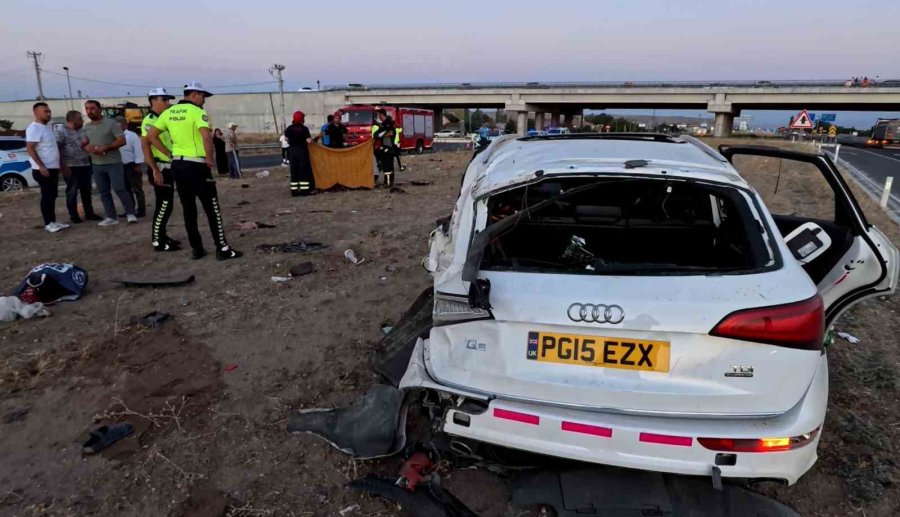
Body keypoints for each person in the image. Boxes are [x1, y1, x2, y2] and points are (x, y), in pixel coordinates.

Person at [148, 81, 241, 260]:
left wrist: (169, 153)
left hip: (178, 165)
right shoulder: (198, 112)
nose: (204, 100)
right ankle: (222, 249)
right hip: (197, 165)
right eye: (203, 96)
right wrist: (210, 159)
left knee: (188, 210)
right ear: (194, 94)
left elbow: (151, 136)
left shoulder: (169, 112)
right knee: (212, 208)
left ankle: (196, 249)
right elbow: (206, 136)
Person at [141, 87, 182, 252]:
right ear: (153, 101)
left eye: (168, 99)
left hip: (169, 166)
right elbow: (147, 147)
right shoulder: (149, 120)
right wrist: (154, 170)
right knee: (163, 205)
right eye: (164, 99)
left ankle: (163, 235)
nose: (168, 103)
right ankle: (157, 240)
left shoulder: (165, 119)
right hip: (160, 167)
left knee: (167, 204)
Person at [83, 100, 135, 226]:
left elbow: (122, 141)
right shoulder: (87, 127)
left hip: (113, 163)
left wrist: (107, 147)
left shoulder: (111, 124)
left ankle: (130, 213)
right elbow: (85, 142)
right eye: (87, 109)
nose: (90, 111)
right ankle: (111, 216)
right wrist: (87, 148)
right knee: (104, 192)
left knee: (119, 188)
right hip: (96, 164)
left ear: (100, 109)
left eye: (93, 108)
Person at [25, 102, 69, 233]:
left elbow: (52, 148)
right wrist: (41, 166)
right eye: (45, 111)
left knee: (52, 195)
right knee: (47, 195)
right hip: (43, 169)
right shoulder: (34, 128)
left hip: (52, 167)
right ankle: (48, 223)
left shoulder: (47, 127)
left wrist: (61, 165)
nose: (49, 114)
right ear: (36, 113)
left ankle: (53, 221)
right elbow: (30, 148)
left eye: (49, 111)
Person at [56, 110, 100, 223]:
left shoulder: (83, 131)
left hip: (85, 165)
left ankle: (89, 213)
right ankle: (74, 215)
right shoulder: (61, 132)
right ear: (72, 119)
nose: (82, 120)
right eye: (80, 118)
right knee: (72, 191)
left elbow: (87, 144)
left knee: (86, 190)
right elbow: (57, 149)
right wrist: (62, 166)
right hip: (70, 166)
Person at [119, 117, 146, 217]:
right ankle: (130, 210)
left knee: (137, 189)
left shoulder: (132, 136)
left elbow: (138, 150)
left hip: (132, 165)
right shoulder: (115, 136)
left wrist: (138, 165)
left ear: (124, 124)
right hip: (120, 166)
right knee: (126, 189)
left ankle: (141, 210)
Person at [284, 111, 314, 197]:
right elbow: (308, 140)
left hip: (291, 151)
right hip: (301, 151)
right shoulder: (304, 129)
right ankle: (304, 191)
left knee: (294, 171)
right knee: (303, 171)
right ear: (301, 119)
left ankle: (294, 191)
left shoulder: (289, 128)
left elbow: (286, 139)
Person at [373, 110, 397, 186]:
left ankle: (388, 183)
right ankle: (388, 182)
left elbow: (379, 135)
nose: (378, 117)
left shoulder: (387, 124)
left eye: (379, 115)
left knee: (387, 166)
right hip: (388, 148)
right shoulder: (386, 124)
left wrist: (381, 135)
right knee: (388, 166)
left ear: (382, 115)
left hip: (387, 148)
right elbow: (376, 134)